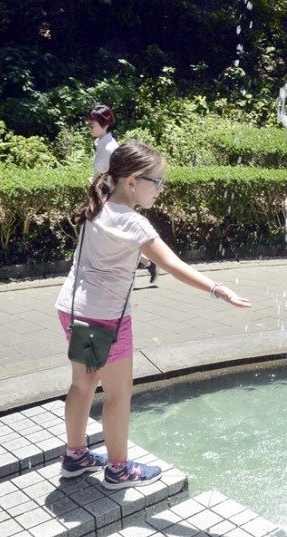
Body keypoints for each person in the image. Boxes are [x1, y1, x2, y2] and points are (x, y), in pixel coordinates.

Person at [55, 141, 252, 490]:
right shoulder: (135, 224)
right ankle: (118, 470)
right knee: (118, 394)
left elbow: (110, 250)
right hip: (106, 319)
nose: (161, 189)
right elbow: (173, 265)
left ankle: (75, 457)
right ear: (131, 182)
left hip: (74, 308)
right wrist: (217, 289)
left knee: (82, 384)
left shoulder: (98, 205)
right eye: (157, 182)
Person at [86, 104, 158, 283]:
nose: (89, 129)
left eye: (92, 125)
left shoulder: (111, 148)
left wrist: (99, 183)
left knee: (115, 239)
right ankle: (147, 263)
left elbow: (117, 175)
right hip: (101, 196)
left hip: (110, 200)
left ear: (105, 124)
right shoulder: (101, 144)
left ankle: (146, 263)